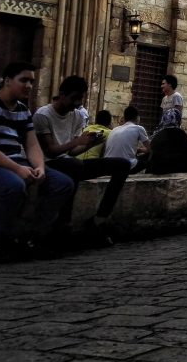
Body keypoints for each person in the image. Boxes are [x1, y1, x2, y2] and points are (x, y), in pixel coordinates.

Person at [0, 62, 74, 259]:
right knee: (13, 185)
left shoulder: (23, 110)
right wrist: (17, 169)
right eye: (24, 80)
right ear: (8, 81)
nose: (29, 85)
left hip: (14, 163)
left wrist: (39, 167)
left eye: (32, 81)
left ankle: (34, 239)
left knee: (62, 184)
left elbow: (32, 145)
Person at [34, 76, 132, 241]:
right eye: (74, 98)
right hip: (49, 164)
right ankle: (63, 224)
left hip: (70, 163)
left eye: (80, 98)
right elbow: (51, 151)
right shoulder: (43, 115)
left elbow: (72, 151)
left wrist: (90, 144)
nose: (78, 103)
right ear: (62, 94)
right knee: (74, 166)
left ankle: (99, 219)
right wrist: (78, 141)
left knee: (123, 165)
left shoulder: (77, 116)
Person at [104, 106, 151, 173]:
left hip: (108, 166)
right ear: (137, 118)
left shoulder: (114, 129)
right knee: (151, 155)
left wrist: (139, 150)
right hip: (126, 167)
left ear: (125, 118)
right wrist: (141, 150)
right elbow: (150, 149)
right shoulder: (139, 128)